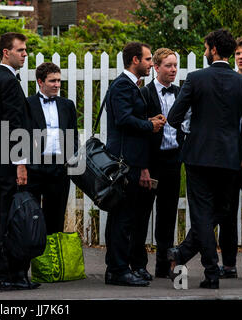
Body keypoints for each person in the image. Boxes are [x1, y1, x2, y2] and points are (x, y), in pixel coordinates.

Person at [167, 29, 242, 289]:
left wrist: (190, 134)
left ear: (214, 50)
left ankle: (204, 268)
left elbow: (174, 116)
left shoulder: (195, 79)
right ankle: (200, 265)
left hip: (197, 156)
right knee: (221, 210)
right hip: (230, 159)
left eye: (206, 48)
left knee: (203, 214)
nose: (205, 52)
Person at [0, 32, 38, 291]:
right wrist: (21, 162)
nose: (25, 54)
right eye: (21, 50)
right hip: (5, 161)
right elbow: (15, 124)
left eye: (25, 50)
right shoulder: (9, 82)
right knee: (6, 218)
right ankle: (6, 275)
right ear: (5, 53)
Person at [104, 42, 165, 287]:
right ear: (135, 60)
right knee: (122, 217)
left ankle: (118, 267)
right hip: (124, 163)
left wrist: (148, 120)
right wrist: (149, 125)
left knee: (124, 217)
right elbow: (124, 119)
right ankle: (117, 270)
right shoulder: (122, 85)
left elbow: (130, 117)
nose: (151, 63)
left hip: (131, 161)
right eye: (149, 59)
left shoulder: (130, 85)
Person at [130, 48, 185, 280]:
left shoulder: (181, 92)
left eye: (175, 65)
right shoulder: (144, 94)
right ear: (156, 68)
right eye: (168, 66)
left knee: (168, 215)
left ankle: (163, 266)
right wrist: (142, 166)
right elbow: (139, 133)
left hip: (173, 160)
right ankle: (138, 265)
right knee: (142, 215)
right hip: (151, 163)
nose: (173, 70)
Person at [217, 37, 242, 281]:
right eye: (237, 54)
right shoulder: (230, 82)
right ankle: (229, 264)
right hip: (230, 158)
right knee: (227, 214)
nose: (240, 57)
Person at [27, 62, 78, 235]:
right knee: (31, 217)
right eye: (52, 81)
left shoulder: (67, 105)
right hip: (34, 167)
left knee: (56, 218)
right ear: (40, 82)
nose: (57, 85)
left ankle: (52, 259)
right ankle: (31, 259)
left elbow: (73, 135)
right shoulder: (27, 104)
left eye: (59, 81)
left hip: (59, 167)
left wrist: (70, 162)